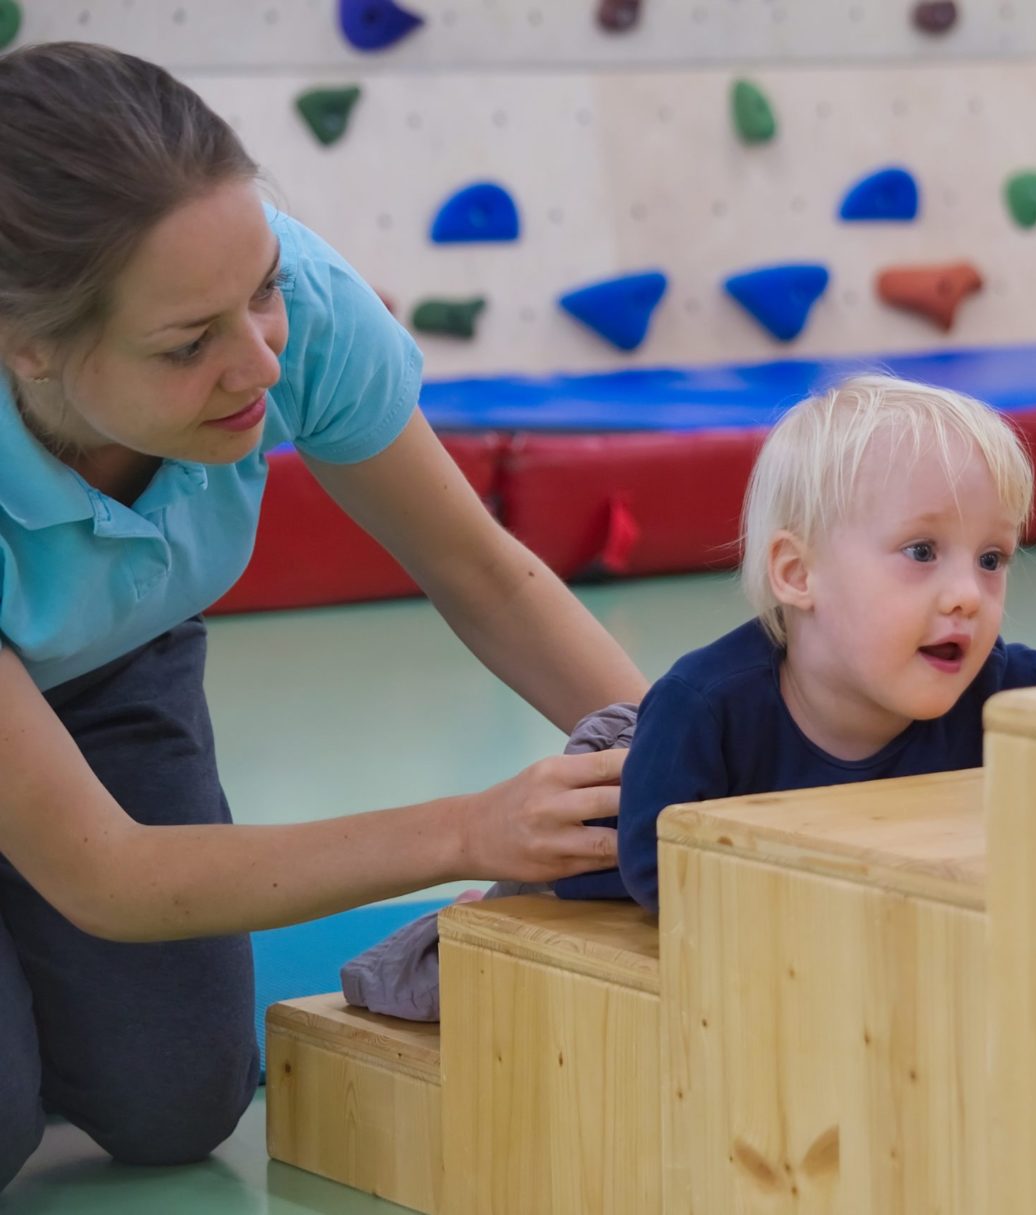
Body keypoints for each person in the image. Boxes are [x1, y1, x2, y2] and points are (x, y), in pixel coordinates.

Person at [0, 43, 647, 1188]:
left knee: (180, 1099)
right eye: (188, 344)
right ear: (31, 348)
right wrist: (467, 829)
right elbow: (107, 871)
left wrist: (681, 754)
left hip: (100, 664)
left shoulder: (285, 298)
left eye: (261, 291)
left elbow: (482, 573)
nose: (259, 359)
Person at [608, 374, 1036, 912]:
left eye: (991, 558)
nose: (967, 594)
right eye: (922, 552)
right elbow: (654, 865)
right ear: (799, 574)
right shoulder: (704, 709)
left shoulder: (989, 688)